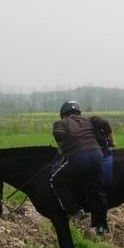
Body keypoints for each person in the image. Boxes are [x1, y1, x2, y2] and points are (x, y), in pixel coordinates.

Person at [50, 101, 112, 235]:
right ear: (78, 112)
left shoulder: (61, 122)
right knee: (98, 190)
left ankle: (75, 211)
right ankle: (100, 226)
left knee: (55, 181)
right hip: (97, 156)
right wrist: (112, 141)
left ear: (63, 114)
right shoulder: (89, 119)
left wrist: (63, 149)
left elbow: (58, 134)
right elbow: (105, 124)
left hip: (79, 157)